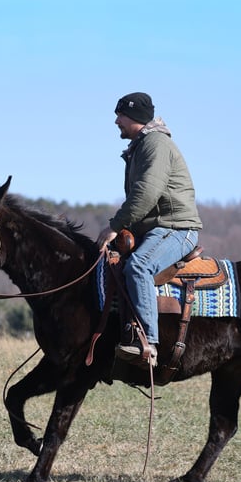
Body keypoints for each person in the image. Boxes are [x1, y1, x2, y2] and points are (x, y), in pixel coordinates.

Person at [97, 92, 202, 366]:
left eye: (121, 115)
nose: (117, 121)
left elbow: (146, 193)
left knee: (139, 267)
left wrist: (115, 226)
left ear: (136, 117)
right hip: (157, 228)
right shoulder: (141, 146)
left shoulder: (155, 144)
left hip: (175, 228)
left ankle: (146, 343)